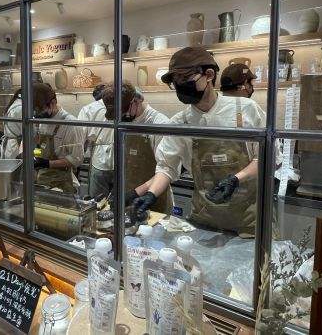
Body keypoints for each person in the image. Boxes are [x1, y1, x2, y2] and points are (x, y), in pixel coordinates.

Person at [132, 47, 265, 236]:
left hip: (249, 221)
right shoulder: (181, 123)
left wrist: (236, 179)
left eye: (185, 79)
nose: (180, 86)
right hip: (205, 220)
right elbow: (167, 167)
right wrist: (150, 195)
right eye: (175, 82)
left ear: (209, 75)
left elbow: (265, 158)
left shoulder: (245, 110)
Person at [100, 83, 170, 215]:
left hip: (153, 199)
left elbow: (166, 171)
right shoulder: (124, 124)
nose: (121, 117)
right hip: (128, 196)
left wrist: (135, 193)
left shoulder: (159, 124)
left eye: (124, 112)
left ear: (137, 100)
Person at [33, 83, 84, 193]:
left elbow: (76, 159)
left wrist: (47, 163)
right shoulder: (41, 121)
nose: (37, 114)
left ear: (53, 103)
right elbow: (39, 147)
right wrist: (37, 158)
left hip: (62, 183)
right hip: (42, 179)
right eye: (35, 110)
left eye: (40, 109)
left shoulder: (71, 124)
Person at [1, 88, 22, 159]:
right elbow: (28, 131)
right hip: (16, 146)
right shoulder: (20, 108)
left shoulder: (13, 105)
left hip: (10, 145)